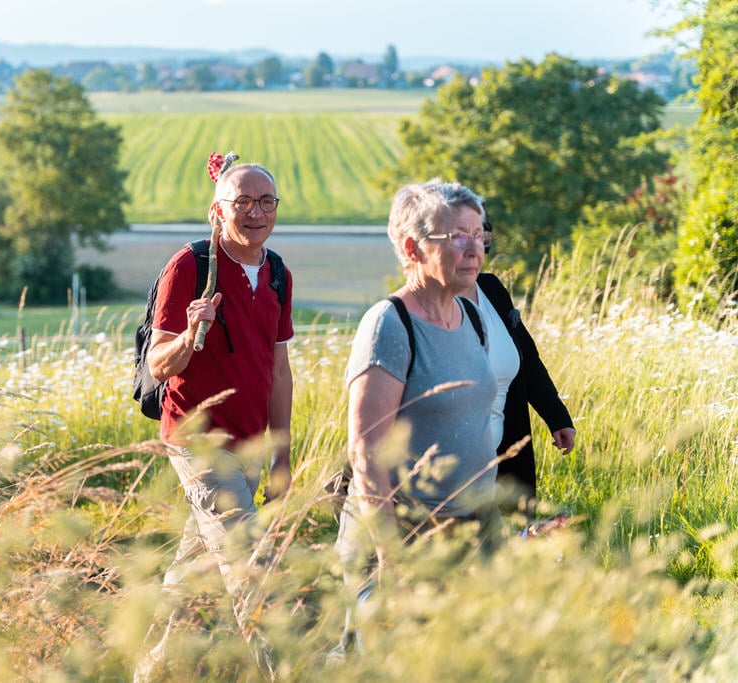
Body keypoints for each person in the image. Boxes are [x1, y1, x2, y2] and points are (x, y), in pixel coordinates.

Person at [135, 154, 294, 681]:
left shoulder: (277, 274)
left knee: (193, 578)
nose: (255, 212)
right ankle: (285, 670)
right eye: (242, 202)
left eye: (265, 201)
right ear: (217, 210)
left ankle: (151, 670)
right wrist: (187, 333)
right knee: (251, 566)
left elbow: (278, 369)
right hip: (199, 440)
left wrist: (281, 455)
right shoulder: (189, 267)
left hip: (249, 444)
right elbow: (159, 364)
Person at [334, 180, 499, 654]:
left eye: (479, 234)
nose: (475, 249)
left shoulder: (469, 314)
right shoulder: (389, 323)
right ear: (412, 247)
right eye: (458, 237)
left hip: (472, 528)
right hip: (408, 533)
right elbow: (366, 451)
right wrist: (392, 555)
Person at [460, 212, 575, 507]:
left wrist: (557, 416)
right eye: (464, 237)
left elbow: (527, 357)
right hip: (453, 470)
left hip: (507, 452)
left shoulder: (492, 289)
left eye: (483, 237)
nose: (476, 249)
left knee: (511, 540)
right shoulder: (429, 306)